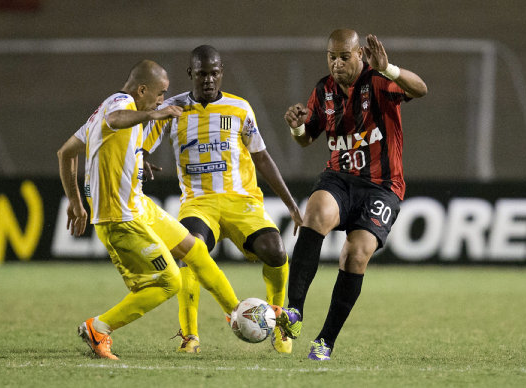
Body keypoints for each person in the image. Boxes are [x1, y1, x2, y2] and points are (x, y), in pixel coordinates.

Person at [57, 59, 240, 360]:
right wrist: (155, 113)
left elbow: (65, 153)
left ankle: (236, 311)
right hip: (121, 218)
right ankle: (98, 328)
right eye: (159, 94)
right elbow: (117, 120)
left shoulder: (99, 114)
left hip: (139, 205)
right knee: (170, 281)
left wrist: (77, 203)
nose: (163, 100)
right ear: (142, 90)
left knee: (194, 250)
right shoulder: (120, 104)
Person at [142, 45, 303, 354]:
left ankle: (279, 325)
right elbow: (140, 147)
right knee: (191, 250)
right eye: (202, 73)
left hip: (242, 202)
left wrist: (293, 207)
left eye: (214, 73)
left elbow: (263, 157)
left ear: (221, 73)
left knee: (276, 251)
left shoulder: (240, 108)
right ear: (191, 73)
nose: (208, 80)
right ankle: (190, 336)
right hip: (198, 203)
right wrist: (140, 159)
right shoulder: (172, 110)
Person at [279, 29, 428, 360]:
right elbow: (307, 138)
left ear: (360, 54)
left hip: (382, 185)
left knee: (355, 254)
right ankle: (294, 311)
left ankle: (325, 341)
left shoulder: (379, 81)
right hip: (339, 179)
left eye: (344, 57)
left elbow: (421, 89)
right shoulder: (324, 90)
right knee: (314, 216)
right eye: (331, 57)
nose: (336, 63)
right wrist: (297, 127)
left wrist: (389, 69)